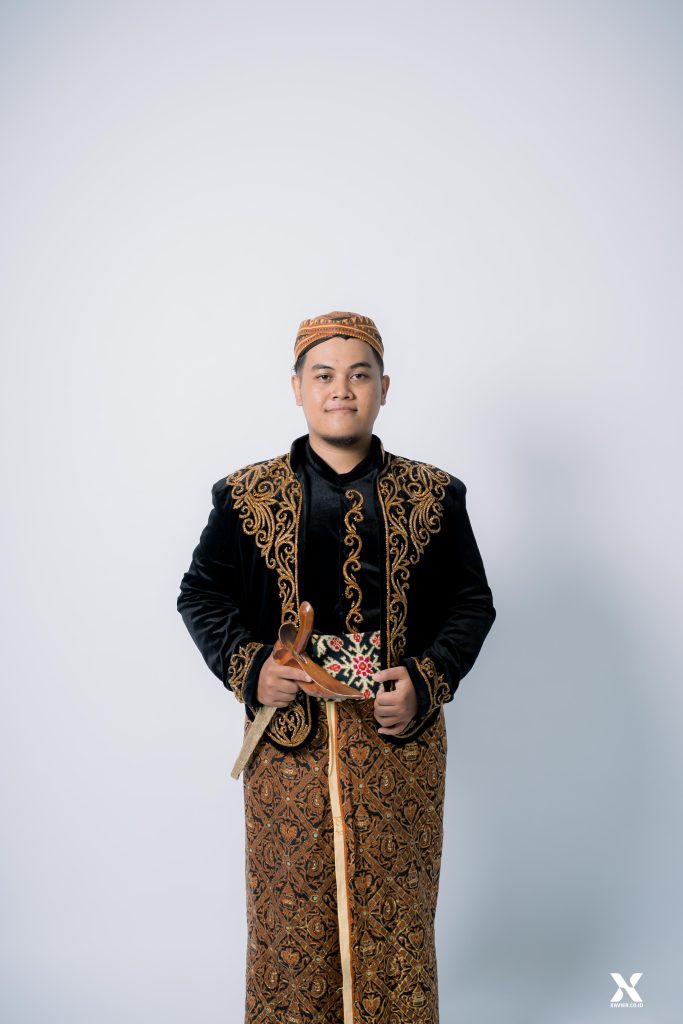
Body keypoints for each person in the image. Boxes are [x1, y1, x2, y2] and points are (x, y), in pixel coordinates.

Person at [177, 310, 496, 1024]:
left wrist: (425, 681)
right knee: (290, 924)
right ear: (297, 388)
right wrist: (251, 667)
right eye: (323, 375)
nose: (341, 390)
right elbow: (201, 593)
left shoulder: (434, 496)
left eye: (359, 375)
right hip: (286, 747)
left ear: (384, 387)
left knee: (397, 919)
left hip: (397, 744)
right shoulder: (246, 495)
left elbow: (471, 603)